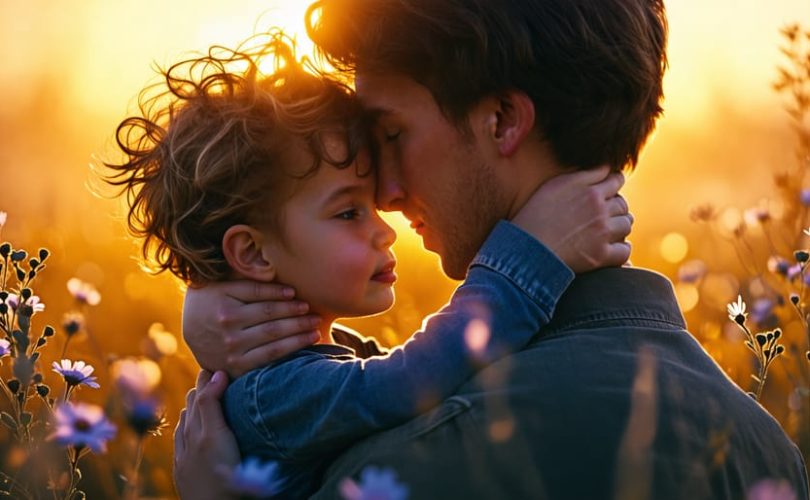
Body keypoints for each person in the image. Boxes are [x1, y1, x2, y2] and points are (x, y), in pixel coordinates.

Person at [175, 1, 810, 499]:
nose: (388, 196)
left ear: (503, 120)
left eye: (393, 134)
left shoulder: (418, 463)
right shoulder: (768, 451)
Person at [104, 32, 632, 498]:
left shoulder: (296, 374)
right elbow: (409, 381)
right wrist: (528, 258)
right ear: (254, 254)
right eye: (349, 211)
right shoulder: (276, 394)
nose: (385, 225)